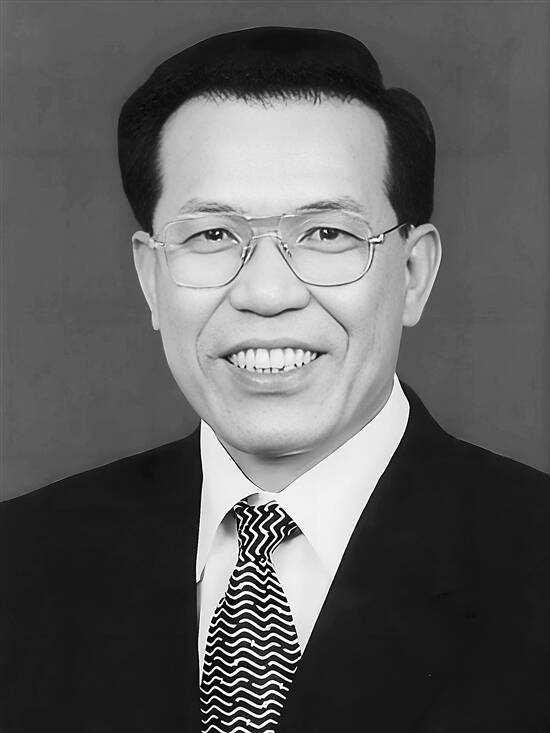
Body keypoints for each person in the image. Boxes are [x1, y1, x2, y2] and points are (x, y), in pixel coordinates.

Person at [1, 26, 549, 733]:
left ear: (414, 273)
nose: (265, 293)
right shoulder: (21, 561)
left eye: (327, 234)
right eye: (212, 235)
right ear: (151, 277)